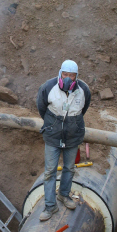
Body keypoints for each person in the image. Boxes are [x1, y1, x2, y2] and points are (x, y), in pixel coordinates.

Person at [36, 59, 91, 222]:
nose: (68, 79)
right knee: (50, 171)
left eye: (71, 76)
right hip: (53, 135)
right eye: (65, 74)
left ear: (76, 76)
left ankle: (64, 195)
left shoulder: (83, 90)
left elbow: (84, 107)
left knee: (69, 167)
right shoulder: (48, 87)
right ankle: (50, 206)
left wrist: (72, 124)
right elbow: (41, 107)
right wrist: (53, 123)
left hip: (73, 136)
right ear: (60, 73)